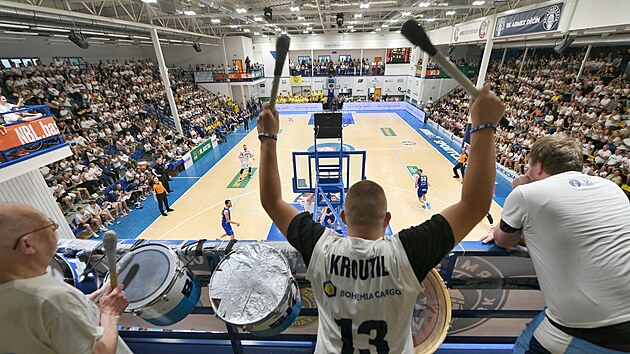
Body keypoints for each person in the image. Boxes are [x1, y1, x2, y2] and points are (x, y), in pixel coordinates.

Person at [258, 85, 504, 353]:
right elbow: (475, 205)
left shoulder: (321, 248)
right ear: (387, 219)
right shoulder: (407, 253)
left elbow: (272, 202)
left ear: (342, 216)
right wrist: (483, 126)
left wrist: (268, 137)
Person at [482, 136, 630, 353]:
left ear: (538, 166)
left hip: (586, 330)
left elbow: (504, 240)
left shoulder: (526, 193)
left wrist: (519, 189)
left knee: (524, 345)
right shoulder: (612, 187)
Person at [0, 202, 131, 354]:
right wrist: (110, 314)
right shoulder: (53, 299)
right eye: (48, 225)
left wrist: (83, 303)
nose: (55, 228)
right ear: (27, 245)